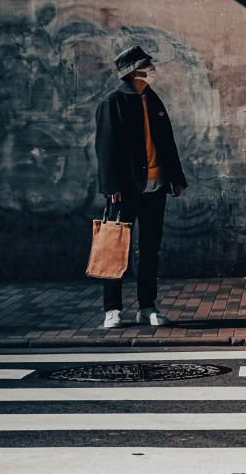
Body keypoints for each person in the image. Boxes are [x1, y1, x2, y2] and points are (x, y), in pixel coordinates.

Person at [94, 45, 187, 328]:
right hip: (126, 189)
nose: (152, 69)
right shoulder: (114, 103)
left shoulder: (153, 100)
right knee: (115, 247)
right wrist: (111, 186)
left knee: (150, 249)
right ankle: (112, 309)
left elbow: (167, 142)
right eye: (147, 65)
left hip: (155, 188)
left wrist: (176, 178)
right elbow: (105, 148)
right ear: (134, 72)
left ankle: (147, 307)